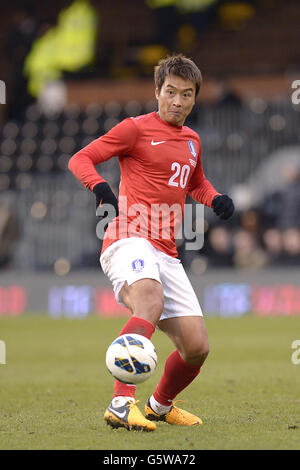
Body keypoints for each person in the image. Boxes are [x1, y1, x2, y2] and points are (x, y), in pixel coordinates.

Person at [68, 54, 234, 432]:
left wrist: (215, 198)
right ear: (157, 91)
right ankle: (121, 402)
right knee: (149, 301)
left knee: (196, 346)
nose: (177, 101)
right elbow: (81, 159)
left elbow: (194, 183)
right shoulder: (134, 129)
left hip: (166, 249)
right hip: (128, 236)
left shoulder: (192, 140)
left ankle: (160, 405)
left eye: (186, 94)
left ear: (195, 98)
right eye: (170, 92)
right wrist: (99, 187)